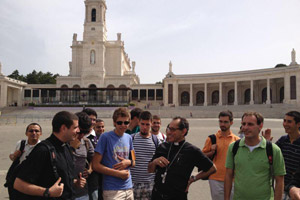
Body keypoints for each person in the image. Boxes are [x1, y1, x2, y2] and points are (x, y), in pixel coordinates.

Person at [14, 111, 86, 199]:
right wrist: (47, 192)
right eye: (75, 127)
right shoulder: (43, 150)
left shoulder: (66, 147)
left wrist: (75, 182)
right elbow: (18, 184)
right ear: (63, 128)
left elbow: (60, 178)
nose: (78, 131)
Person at [148, 117, 216, 200]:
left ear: (183, 131)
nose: (169, 132)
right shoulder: (162, 147)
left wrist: (193, 179)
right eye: (169, 128)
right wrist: (154, 162)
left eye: (173, 129)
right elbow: (150, 170)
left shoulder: (192, 151)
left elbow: (212, 168)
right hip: (157, 196)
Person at [224, 111, 286, 200]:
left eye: (250, 124)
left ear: (260, 126)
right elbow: (228, 175)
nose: (245, 128)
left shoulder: (273, 150)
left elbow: (279, 180)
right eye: (243, 124)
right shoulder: (234, 147)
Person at [92, 107, 135, 200]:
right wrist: (117, 174)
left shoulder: (129, 138)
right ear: (114, 123)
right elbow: (95, 165)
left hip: (129, 187)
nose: (123, 125)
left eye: (126, 122)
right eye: (120, 122)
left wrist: (129, 162)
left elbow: (134, 160)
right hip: (112, 189)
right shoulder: (105, 137)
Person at [202, 110, 239, 200]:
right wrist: (211, 152)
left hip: (232, 179)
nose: (222, 124)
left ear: (231, 122)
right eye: (221, 121)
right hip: (215, 177)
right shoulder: (212, 139)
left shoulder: (237, 140)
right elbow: (202, 157)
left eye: (225, 122)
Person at [6, 123, 42, 199]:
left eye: (36, 131)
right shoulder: (20, 144)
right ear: (26, 133)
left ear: (40, 133)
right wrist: (14, 155)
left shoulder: (42, 147)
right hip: (18, 176)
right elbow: (12, 158)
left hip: (33, 179)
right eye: (31, 131)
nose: (34, 133)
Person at [131, 111, 158, 199]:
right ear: (138, 122)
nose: (144, 127)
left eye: (147, 124)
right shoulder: (131, 138)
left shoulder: (156, 141)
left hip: (150, 184)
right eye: (142, 124)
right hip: (133, 183)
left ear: (151, 124)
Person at [275, 111, 300, 199]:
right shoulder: (282, 140)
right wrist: (267, 143)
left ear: (298, 124)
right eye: (284, 121)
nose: (285, 124)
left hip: (296, 190)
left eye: (289, 122)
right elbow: (270, 156)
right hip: (282, 187)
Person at [70, 112, 94, 200]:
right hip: (65, 192)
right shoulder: (63, 142)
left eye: (86, 132)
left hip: (82, 193)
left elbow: (94, 158)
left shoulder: (86, 142)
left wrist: (90, 170)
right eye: (80, 131)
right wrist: (71, 147)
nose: (82, 135)